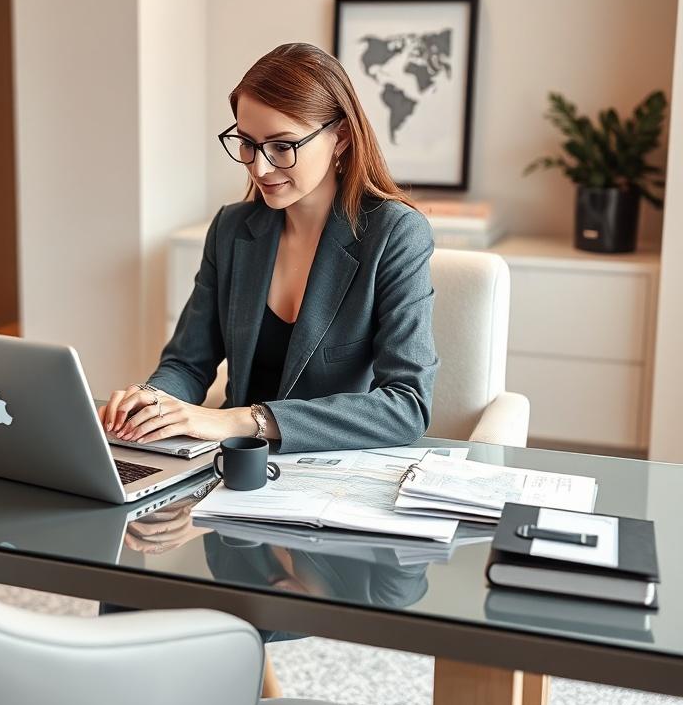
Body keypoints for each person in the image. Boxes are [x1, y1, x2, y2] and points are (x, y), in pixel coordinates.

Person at [99, 42, 438, 452]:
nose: (259, 167)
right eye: (247, 142)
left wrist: (245, 419)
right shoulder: (231, 229)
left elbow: (407, 406)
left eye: (282, 146)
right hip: (232, 469)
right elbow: (187, 363)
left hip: (332, 473)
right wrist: (152, 401)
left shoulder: (395, 234)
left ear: (341, 137)